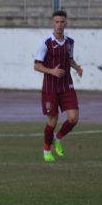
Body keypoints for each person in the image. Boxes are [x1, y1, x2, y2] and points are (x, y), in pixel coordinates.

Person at [34, 9, 83, 162]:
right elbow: (36, 65)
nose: (59, 25)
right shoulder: (45, 43)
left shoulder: (70, 42)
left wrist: (76, 67)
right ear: (52, 23)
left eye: (62, 22)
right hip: (50, 87)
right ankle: (46, 150)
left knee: (74, 118)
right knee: (52, 120)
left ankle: (58, 137)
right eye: (57, 22)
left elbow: (69, 59)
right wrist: (51, 71)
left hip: (66, 85)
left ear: (66, 23)